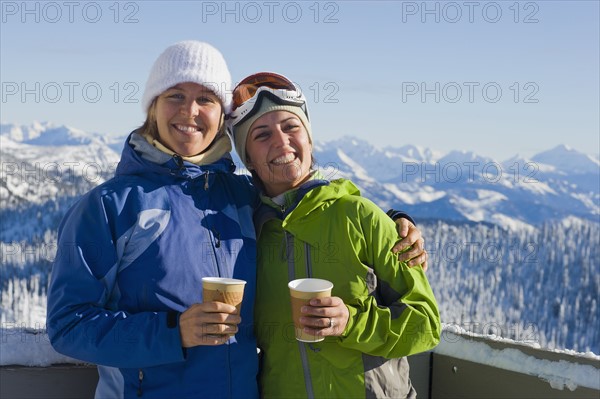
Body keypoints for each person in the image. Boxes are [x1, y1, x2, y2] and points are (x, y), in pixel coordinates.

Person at [46, 42, 427, 398]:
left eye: (206, 99)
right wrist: (172, 332)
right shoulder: (109, 207)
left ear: (221, 116)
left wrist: (394, 220)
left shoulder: (242, 198)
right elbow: (68, 324)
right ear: (153, 107)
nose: (189, 111)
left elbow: (304, 203)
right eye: (175, 95)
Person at [229, 72, 441, 398]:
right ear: (249, 160)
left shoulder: (362, 217)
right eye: (261, 134)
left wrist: (351, 324)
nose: (281, 141)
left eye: (291, 127)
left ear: (310, 140)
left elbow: (426, 325)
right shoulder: (248, 235)